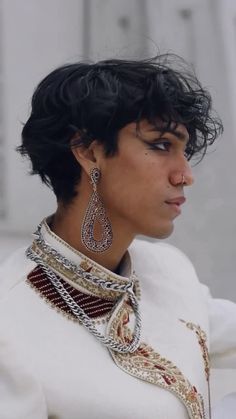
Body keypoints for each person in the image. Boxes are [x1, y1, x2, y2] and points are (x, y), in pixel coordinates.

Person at [0, 56, 235, 419]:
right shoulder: (10, 327)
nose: (185, 175)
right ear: (89, 151)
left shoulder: (168, 271)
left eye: (184, 151)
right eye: (161, 145)